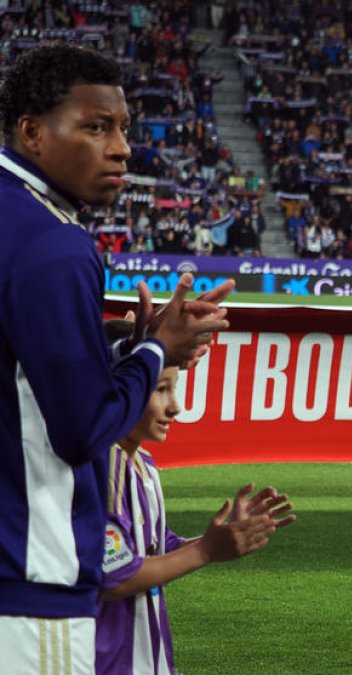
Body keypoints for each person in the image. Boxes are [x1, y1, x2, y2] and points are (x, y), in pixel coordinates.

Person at [0, 44, 231, 673]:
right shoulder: (54, 242)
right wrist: (159, 350)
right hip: (30, 588)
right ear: (32, 133)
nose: (123, 148)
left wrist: (120, 346)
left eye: (124, 127)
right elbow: (81, 432)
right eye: (96, 127)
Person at [95, 322, 294, 675]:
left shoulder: (142, 463)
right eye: (160, 390)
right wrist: (206, 551)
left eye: (174, 388)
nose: (176, 406)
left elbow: (156, 552)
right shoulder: (102, 464)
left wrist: (221, 539)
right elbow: (115, 577)